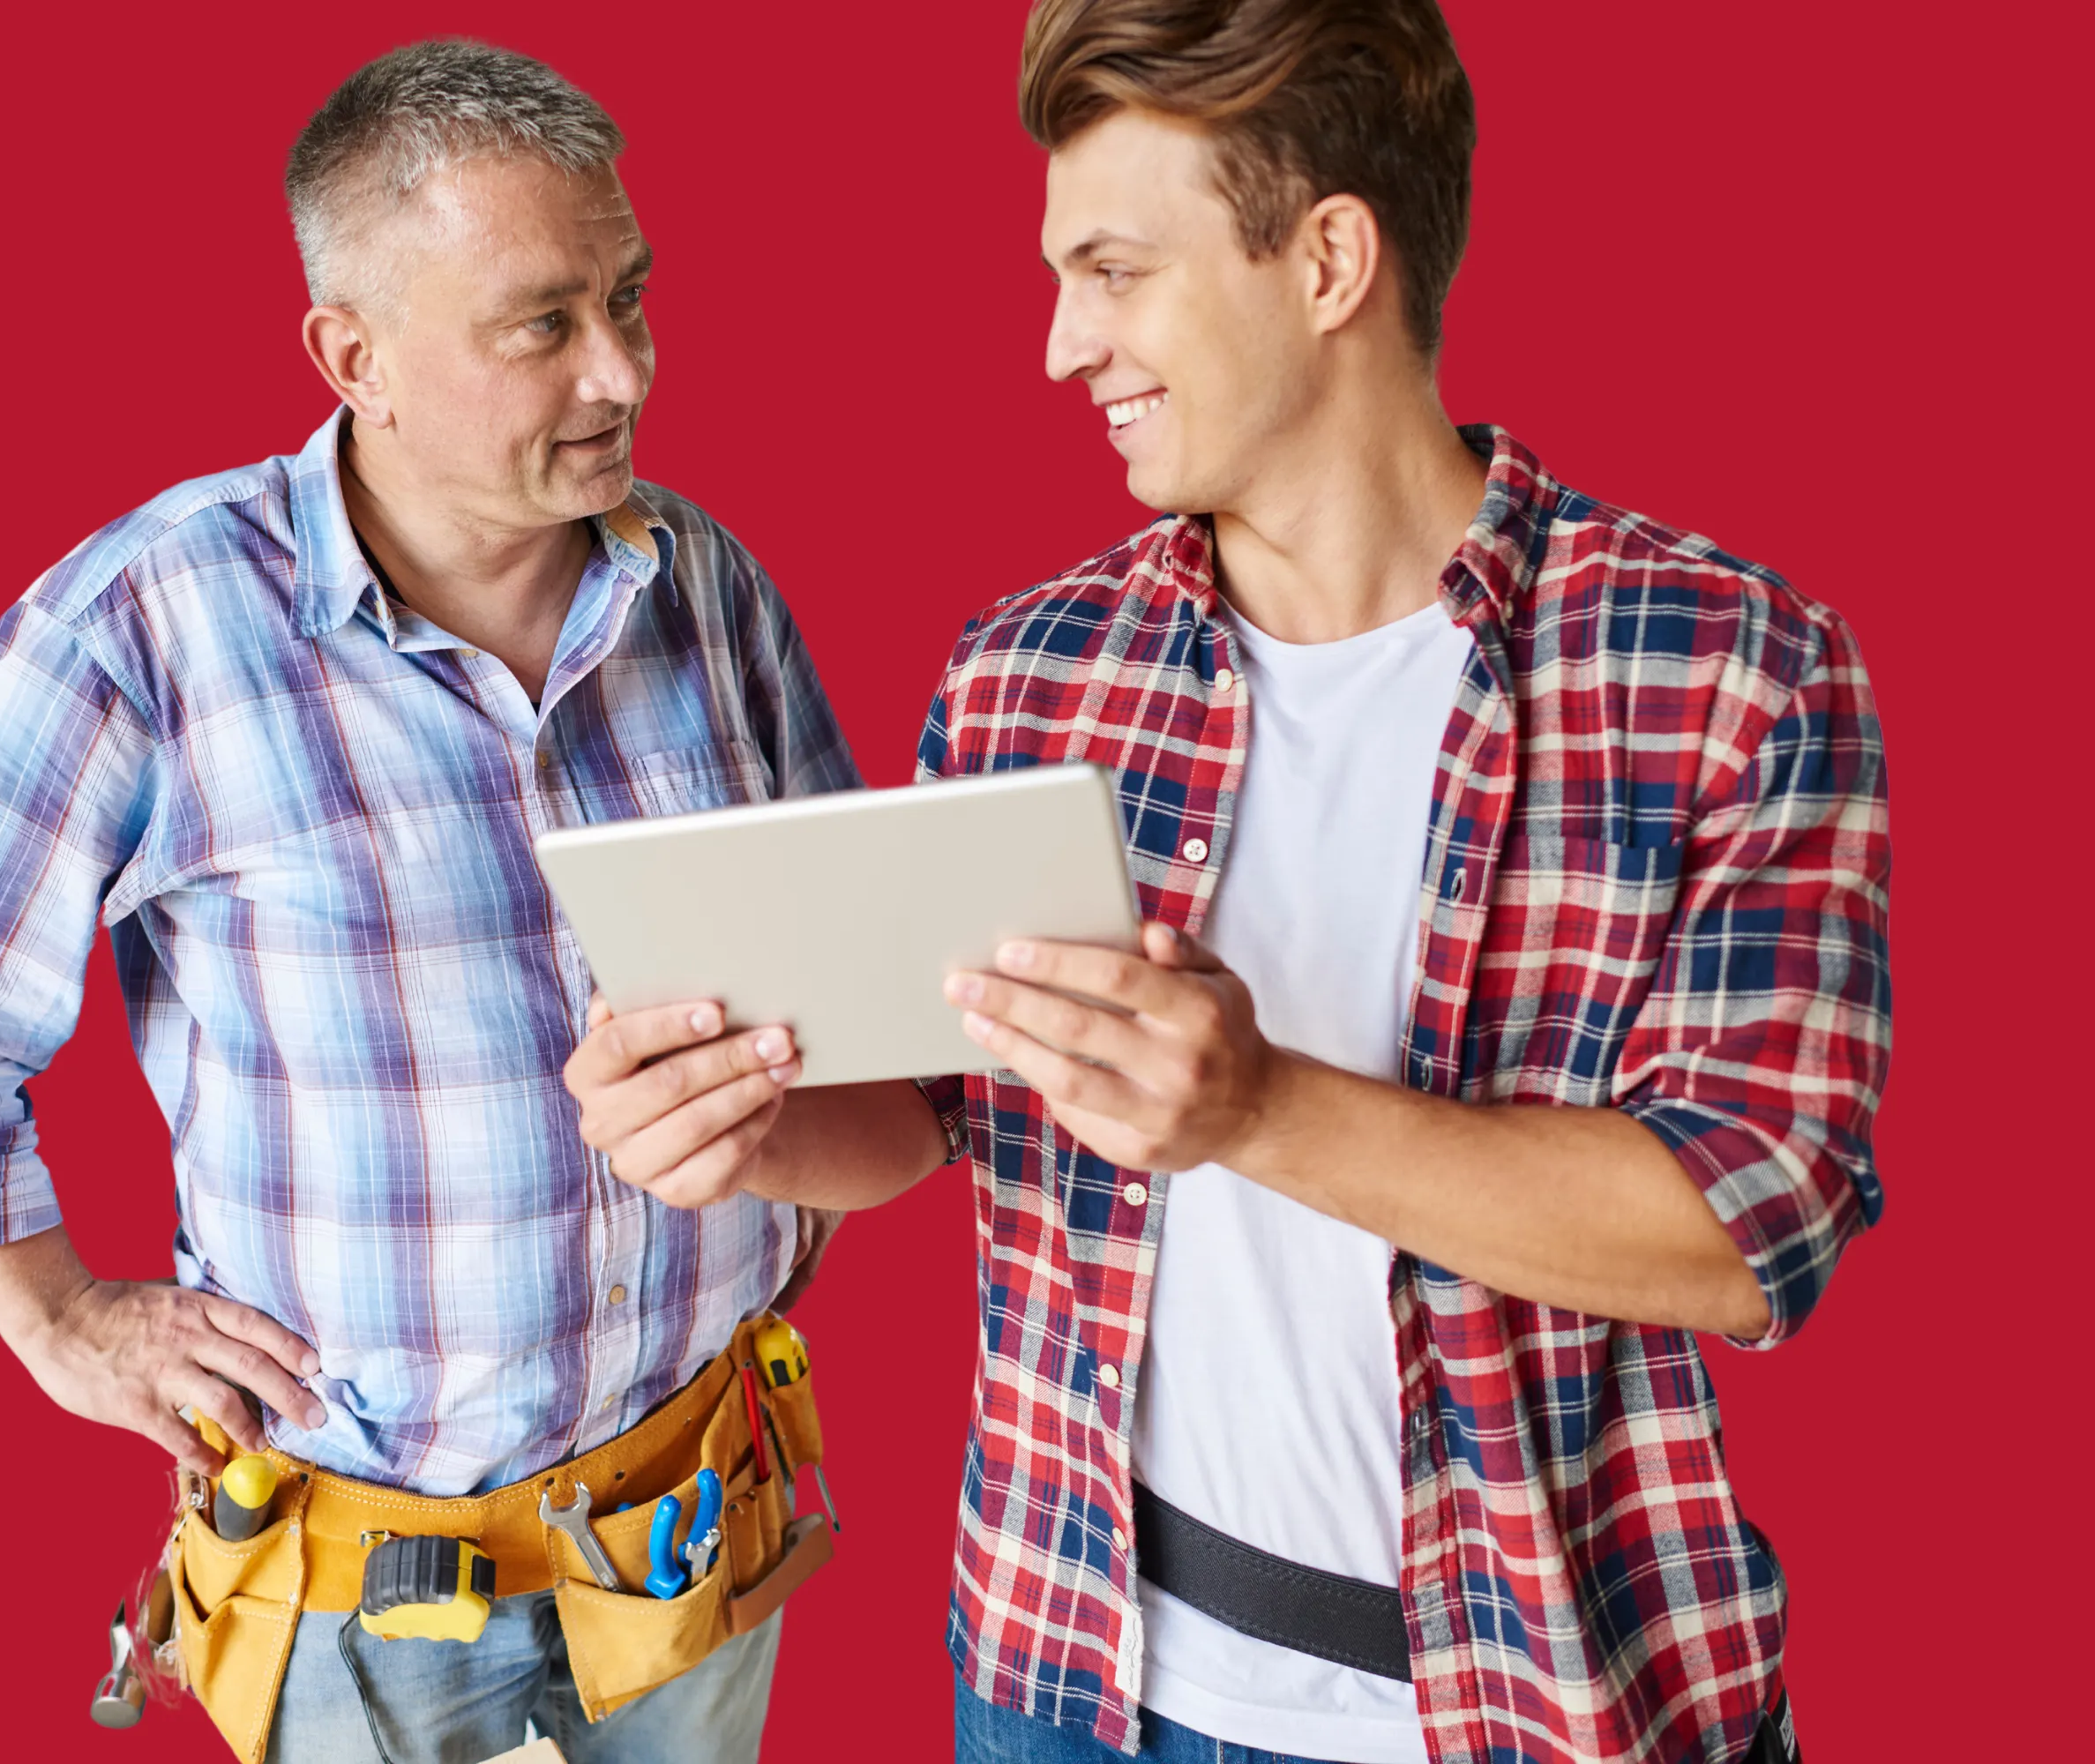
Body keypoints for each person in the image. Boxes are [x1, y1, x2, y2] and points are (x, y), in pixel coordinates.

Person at [560, 4, 1892, 1760]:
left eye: (1111, 271)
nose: (1058, 345)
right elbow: (954, 1114)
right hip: (1065, 1672)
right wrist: (735, 1126)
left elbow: (1745, 1223)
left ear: (1327, 256)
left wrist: (1252, 1105)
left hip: (1537, 1701)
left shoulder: (1722, 668)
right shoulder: (1035, 668)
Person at [0, 38, 898, 1764]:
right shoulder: (155, 622)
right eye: (540, 324)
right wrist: (54, 1318)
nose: (618, 368)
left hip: (692, 1530)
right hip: (364, 1602)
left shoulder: (706, 585)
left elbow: (856, 987)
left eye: (629, 296)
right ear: (351, 358)